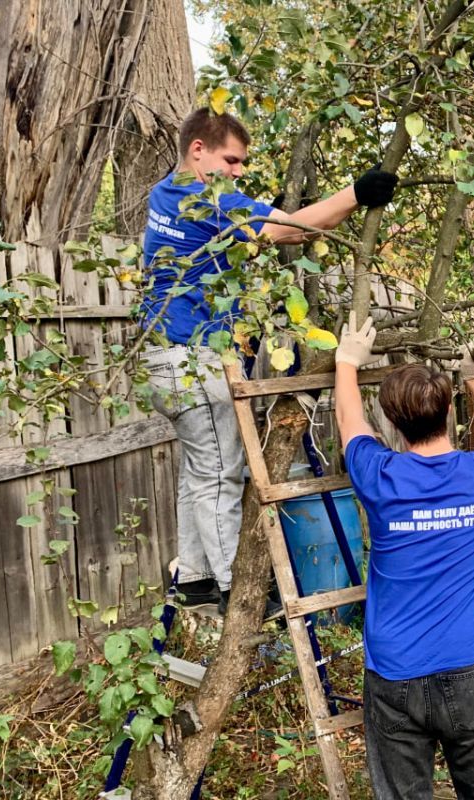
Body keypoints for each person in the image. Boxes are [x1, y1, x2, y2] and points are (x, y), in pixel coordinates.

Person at [141, 107, 398, 616]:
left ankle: (192, 578)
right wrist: (356, 194)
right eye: (231, 160)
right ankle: (238, 588)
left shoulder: (166, 193)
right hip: (196, 359)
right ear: (199, 150)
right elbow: (291, 230)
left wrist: (269, 217)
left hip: (162, 361)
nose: (238, 171)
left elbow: (256, 236)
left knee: (199, 470)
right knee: (220, 473)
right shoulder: (205, 198)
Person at [334, 314, 474, 800]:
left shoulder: (381, 477)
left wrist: (346, 362)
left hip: (394, 672)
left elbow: (350, 425)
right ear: (448, 414)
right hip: (467, 668)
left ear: (393, 423)